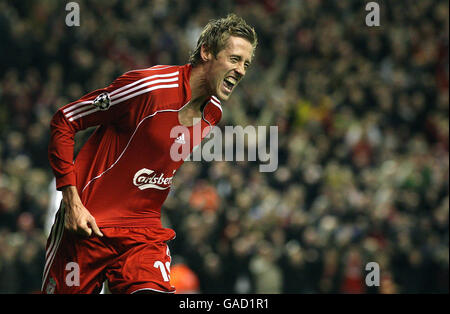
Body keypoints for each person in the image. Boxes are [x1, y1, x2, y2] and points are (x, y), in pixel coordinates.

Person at [41, 13, 257, 294]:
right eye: (234, 59)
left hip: (143, 235)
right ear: (206, 51)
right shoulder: (149, 89)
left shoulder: (213, 113)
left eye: (246, 64)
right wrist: (72, 202)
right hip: (87, 226)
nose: (241, 70)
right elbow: (65, 119)